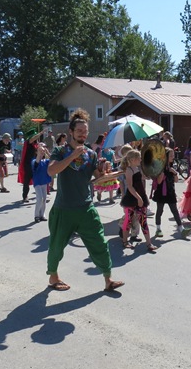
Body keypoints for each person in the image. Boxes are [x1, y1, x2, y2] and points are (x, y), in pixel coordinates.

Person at [45, 108, 123, 292]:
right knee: (56, 245)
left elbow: (98, 178)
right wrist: (72, 156)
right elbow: (51, 171)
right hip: (64, 208)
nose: (83, 134)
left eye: (85, 131)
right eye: (79, 131)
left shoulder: (91, 154)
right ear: (71, 132)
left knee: (99, 243)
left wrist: (106, 171)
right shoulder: (60, 151)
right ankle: (53, 277)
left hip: (86, 208)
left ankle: (108, 279)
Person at [119, 149, 158, 252]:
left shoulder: (137, 168)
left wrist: (147, 175)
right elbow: (130, 186)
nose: (141, 159)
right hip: (132, 199)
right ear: (133, 159)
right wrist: (138, 198)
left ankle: (149, 244)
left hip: (140, 196)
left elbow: (141, 178)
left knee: (143, 221)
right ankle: (125, 241)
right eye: (139, 158)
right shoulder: (129, 170)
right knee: (128, 220)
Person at [152, 148, 191, 239]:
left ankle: (182, 229)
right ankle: (158, 229)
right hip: (161, 192)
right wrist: (162, 174)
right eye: (171, 155)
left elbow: (176, 180)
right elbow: (159, 182)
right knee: (160, 210)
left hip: (170, 192)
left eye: (173, 155)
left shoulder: (172, 166)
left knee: (175, 211)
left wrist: (174, 173)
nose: (173, 157)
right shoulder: (160, 167)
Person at [19, 128, 44, 203]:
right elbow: (33, 139)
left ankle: (41, 195)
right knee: (27, 180)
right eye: (35, 136)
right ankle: (25, 196)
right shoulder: (28, 142)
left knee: (39, 178)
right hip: (28, 164)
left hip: (35, 163)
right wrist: (41, 133)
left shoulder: (35, 144)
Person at [31, 144, 52, 223]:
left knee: (44, 199)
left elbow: (53, 159)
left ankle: (42, 215)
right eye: (40, 150)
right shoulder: (34, 160)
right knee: (40, 198)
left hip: (44, 182)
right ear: (36, 152)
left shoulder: (45, 161)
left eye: (43, 150)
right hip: (37, 182)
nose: (42, 152)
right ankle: (36, 215)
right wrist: (39, 154)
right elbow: (36, 164)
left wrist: (47, 152)